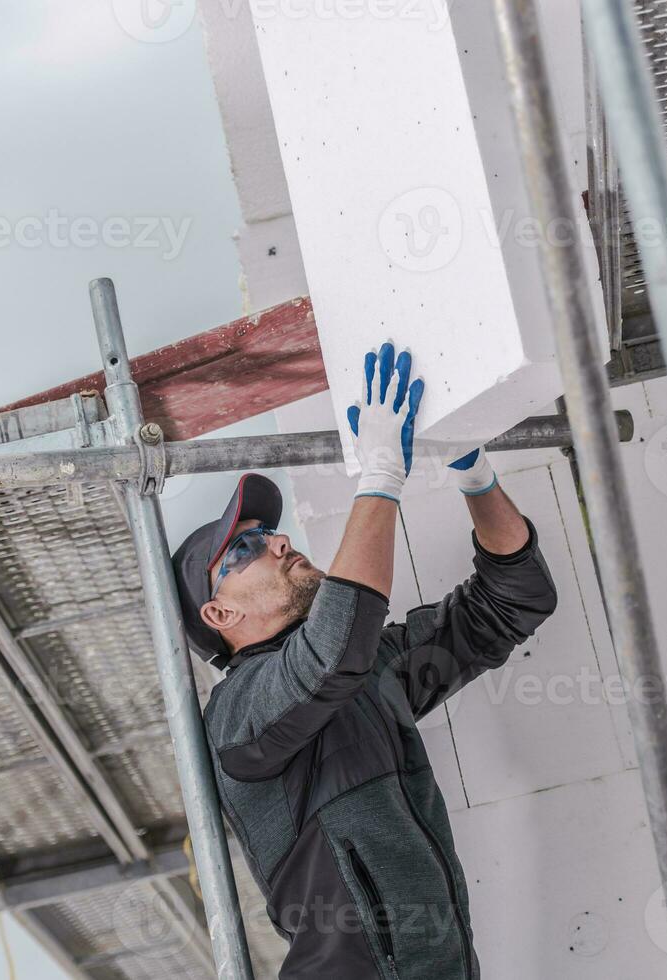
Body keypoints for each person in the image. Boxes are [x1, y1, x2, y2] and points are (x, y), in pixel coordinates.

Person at [172, 342, 558, 979]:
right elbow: (330, 654)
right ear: (220, 616)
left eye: (266, 532)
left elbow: (513, 600)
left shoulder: (370, 673)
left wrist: (472, 470)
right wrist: (381, 475)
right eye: (242, 550)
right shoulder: (235, 720)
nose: (276, 541)